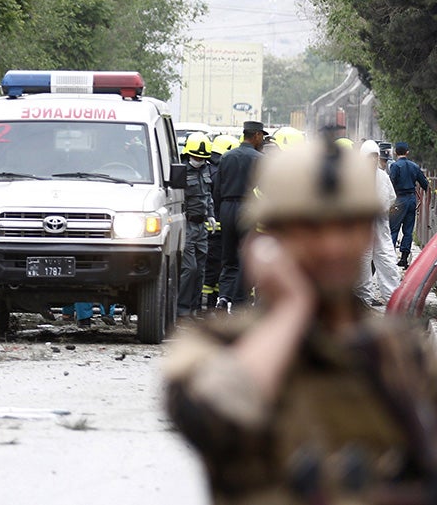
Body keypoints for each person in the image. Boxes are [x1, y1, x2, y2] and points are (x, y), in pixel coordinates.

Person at [163, 138, 437, 504]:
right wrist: (293, 308)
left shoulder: (399, 351)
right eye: (309, 228)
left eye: (347, 226)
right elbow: (210, 416)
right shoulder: (222, 342)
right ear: (269, 237)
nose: (332, 246)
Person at [214, 120, 266, 311]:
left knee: (228, 258)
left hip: (227, 208)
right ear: (257, 135)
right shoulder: (259, 159)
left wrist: (220, 212)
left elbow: (217, 189)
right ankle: (238, 302)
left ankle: (223, 297)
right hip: (248, 209)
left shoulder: (227, 156)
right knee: (246, 257)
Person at [358, 139, 400, 305]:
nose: (373, 159)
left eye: (375, 156)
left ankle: (394, 299)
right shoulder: (356, 176)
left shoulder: (382, 176)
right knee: (362, 263)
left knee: (387, 260)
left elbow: (391, 197)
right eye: (370, 156)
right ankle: (363, 300)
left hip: (380, 225)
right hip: (361, 226)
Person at [178, 132, 216, 318]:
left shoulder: (206, 170)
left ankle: (194, 309)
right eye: (195, 157)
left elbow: (207, 196)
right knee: (189, 268)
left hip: (202, 227)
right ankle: (182, 309)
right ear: (188, 154)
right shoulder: (181, 172)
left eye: (202, 158)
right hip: (187, 226)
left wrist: (211, 216)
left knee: (200, 270)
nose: (198, 160)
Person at [201, 134, 238, 309]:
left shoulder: (208, 170)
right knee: (215, 268)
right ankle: (209, 304)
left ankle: (207, 303)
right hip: (217, 227)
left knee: (211, 267)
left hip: (208, 227)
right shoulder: (218, 173)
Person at [389, 141, 429, 269]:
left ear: (395, 152)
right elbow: (425, 184)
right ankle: (404, 258)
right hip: (411, 199)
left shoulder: (395, 166)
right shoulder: (414, 166)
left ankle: (390, 257)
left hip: (399, 199)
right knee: (408, 230)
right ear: (407, 152)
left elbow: (391, 184)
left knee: (394, 229)